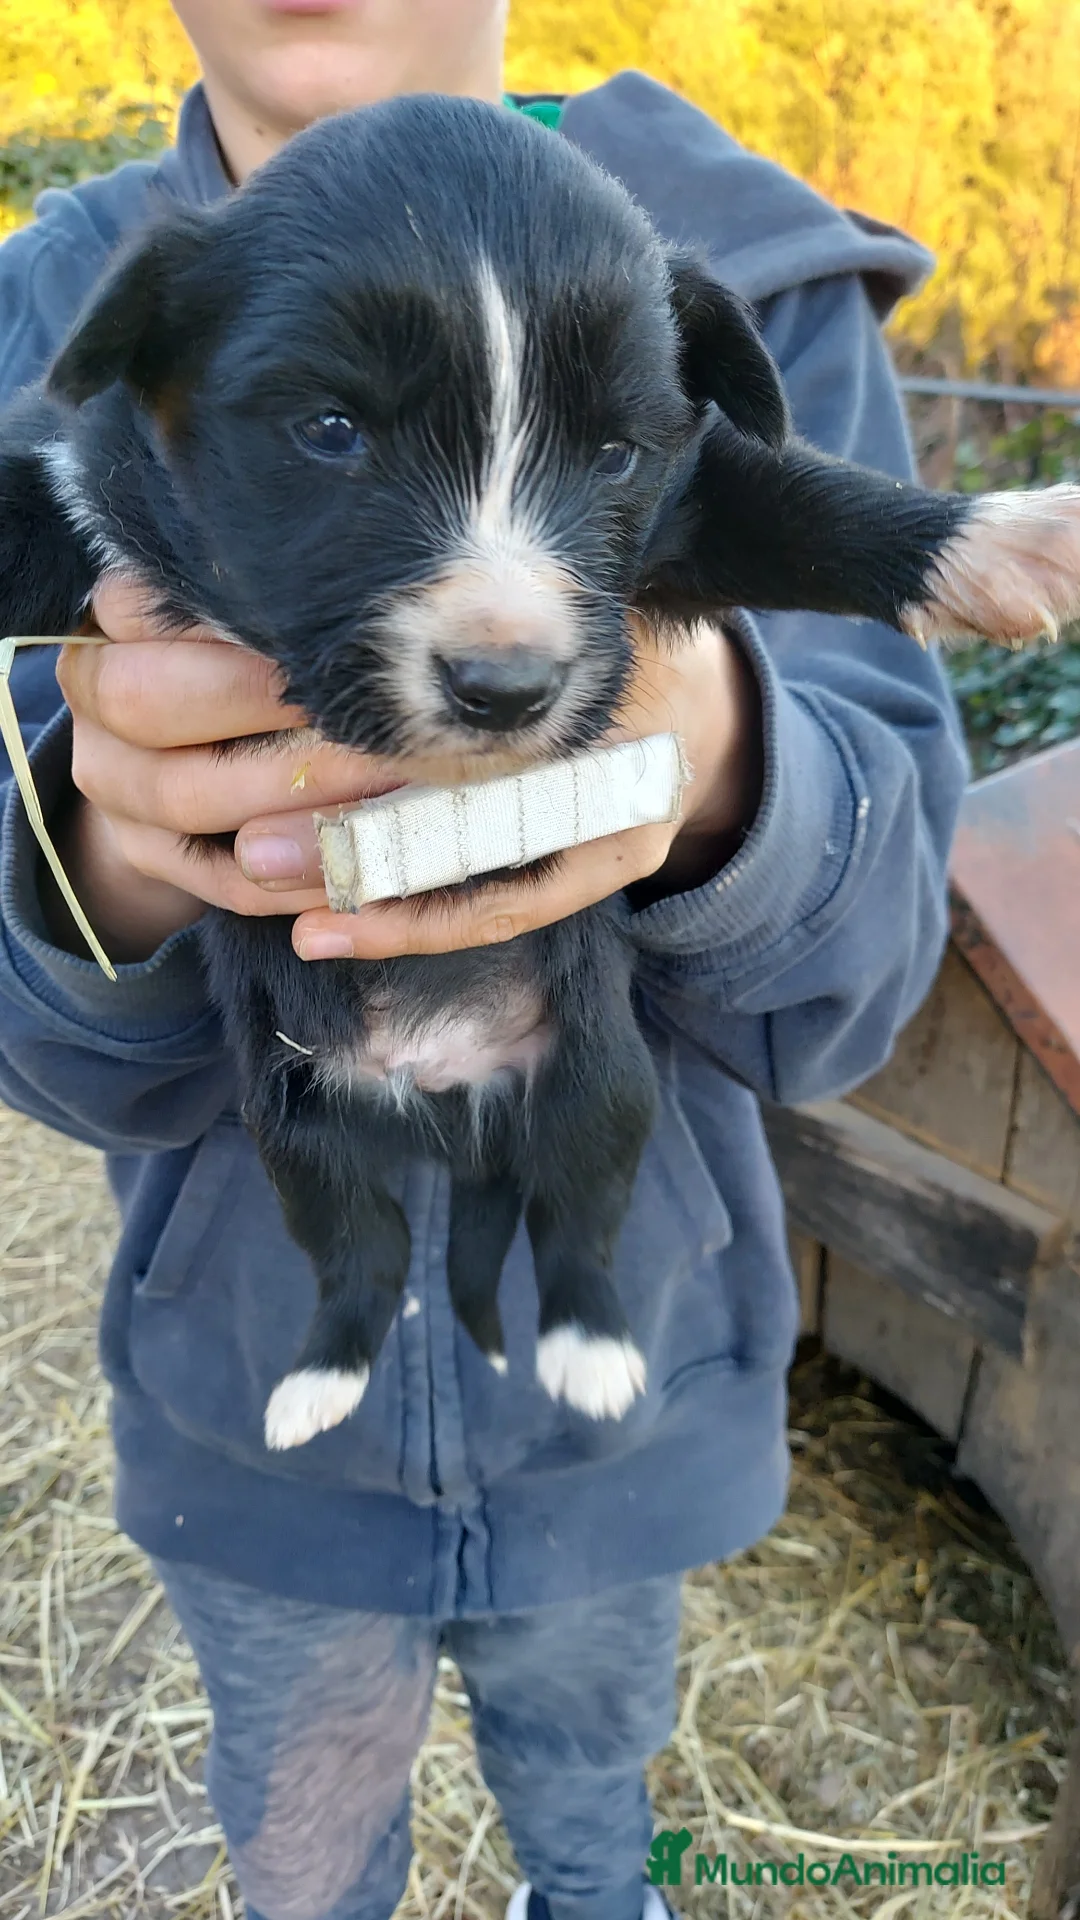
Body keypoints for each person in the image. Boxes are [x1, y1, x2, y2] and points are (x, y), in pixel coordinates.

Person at [0, 5, 969, 1919]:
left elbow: (867, 969)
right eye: (337, 425)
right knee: (302, 1841)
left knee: (596, 1807)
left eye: (603, 449)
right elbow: (52, 1060)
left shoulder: (760, 273)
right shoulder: (46, 331)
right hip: (254, 1412)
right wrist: (104, 864)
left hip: (626, 1410)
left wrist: (732, 773)